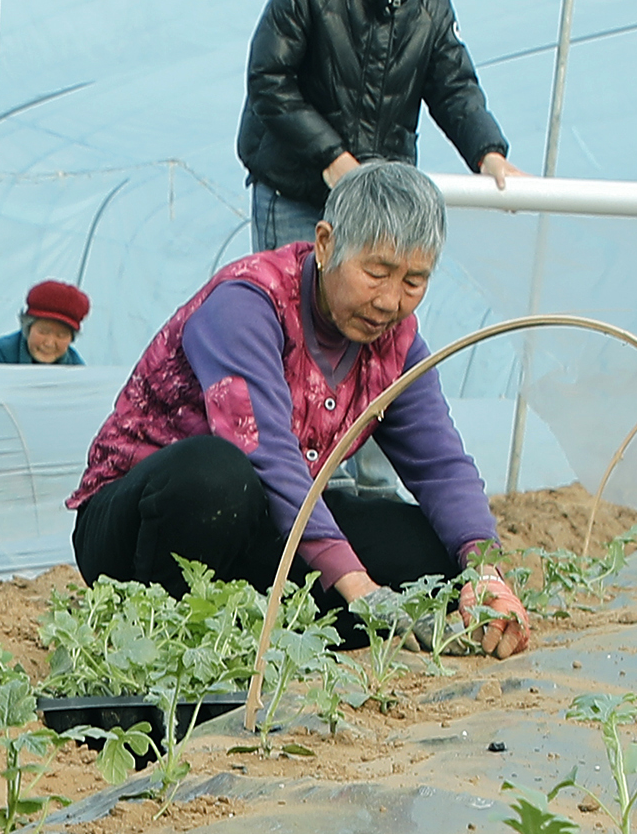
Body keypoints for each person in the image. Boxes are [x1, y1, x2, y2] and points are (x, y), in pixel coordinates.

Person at [70, 162, 533, 656]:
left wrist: (484, 571)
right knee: (216, 475)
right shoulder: (247, 304)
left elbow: (440, 464)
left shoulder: (393, 343)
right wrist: (358, 588)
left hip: (270, 523)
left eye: (413, 281)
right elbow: (264, 453)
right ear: (327, 243)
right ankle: (155, 631)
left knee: (431, 553)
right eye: (376, 273)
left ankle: (258, 628)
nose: (390, 301)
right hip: (146, 523)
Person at [235, 0, 523, 258]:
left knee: (374, 312)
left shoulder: (431, 2)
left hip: (377, 204)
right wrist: (331, 157)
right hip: (295, 195)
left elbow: (454, 87)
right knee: (294, 311)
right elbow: (269, 81)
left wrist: (488, 153)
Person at [0, 279, 89, 366]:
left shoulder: (76, 368)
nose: (49, 343)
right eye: (43, 332)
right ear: (27, 328)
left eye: (61, 335)